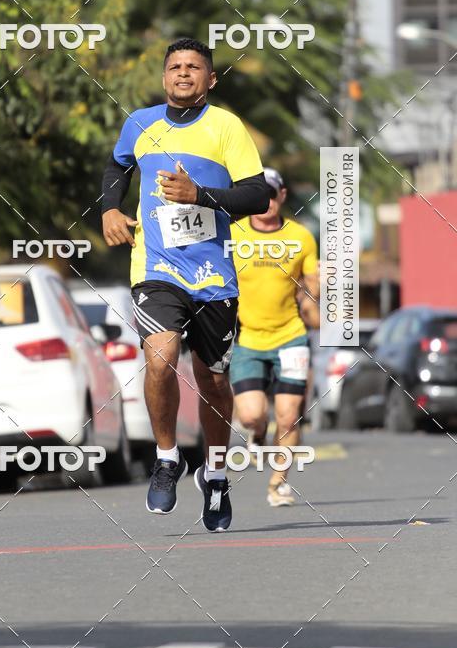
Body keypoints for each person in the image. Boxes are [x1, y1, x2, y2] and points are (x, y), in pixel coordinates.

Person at [101, 37, 270, 532]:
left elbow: (257, 194)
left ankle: (215, 474)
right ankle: (168, 456)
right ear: (163, 77)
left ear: (210, 79)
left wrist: (201, 195)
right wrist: (111, 207)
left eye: (194, 67)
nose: (182, 73)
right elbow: (117, 165)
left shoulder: (226, 127)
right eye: (174, 66)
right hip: (155, 267)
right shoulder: (140, 122)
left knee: (214, 379)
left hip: (214, 273)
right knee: (160, 356)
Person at [229, 169, 319, 507]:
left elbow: (312, 286)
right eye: (258, 194)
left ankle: (278, 483)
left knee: (289, 413)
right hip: (248, 339)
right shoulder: (232, 236)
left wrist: (318, 298)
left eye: (271, 194)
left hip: (291, 337)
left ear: (282, 196)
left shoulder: (301, 238)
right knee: (253, 415)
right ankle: (256, 435)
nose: (265, 201)